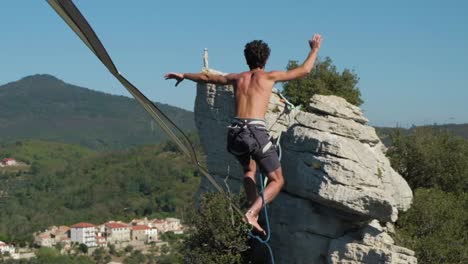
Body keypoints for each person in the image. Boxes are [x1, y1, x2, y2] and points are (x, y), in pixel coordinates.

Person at [165, 34, 322, 234]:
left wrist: (184, 75)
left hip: (234, 133)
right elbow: (305, 70)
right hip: (254, 131)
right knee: (277, 180)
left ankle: (252, 211)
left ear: (246, 59)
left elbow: (207, 77)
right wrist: (314, 49)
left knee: (249, 171)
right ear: (265, 60)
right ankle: (252, 212)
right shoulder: (269, 76)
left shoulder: (237, 78)